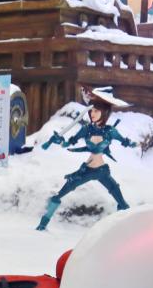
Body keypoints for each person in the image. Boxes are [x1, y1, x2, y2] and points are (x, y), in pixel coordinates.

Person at [36, 88, 135, 231]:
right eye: (91, 111)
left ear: (105, 112)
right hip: (86, 170)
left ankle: (128, 228)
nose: (92, 114)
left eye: (96, 111)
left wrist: (132, 144)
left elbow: (125, 141)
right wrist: (59, 141)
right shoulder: (86, 129)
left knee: (121, 201)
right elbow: (69, 143)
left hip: (102, 171)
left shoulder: (110, 131)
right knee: (59, 195)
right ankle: (42, 225)